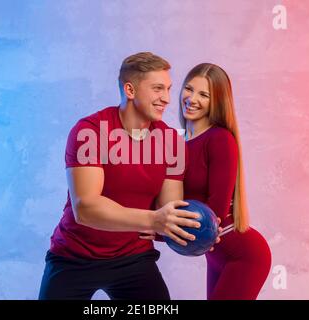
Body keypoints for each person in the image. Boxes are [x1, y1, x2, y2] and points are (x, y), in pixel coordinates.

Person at [38, 52, 219, 300]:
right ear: (130, 90)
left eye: (168, 89)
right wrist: (154, 220)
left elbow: (168, 210)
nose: (166, 98)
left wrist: (197, 232)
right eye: (157, 89)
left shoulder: (171, 143)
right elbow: (86, 208)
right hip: (74, 257)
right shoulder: (90, 132)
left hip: (133, 258)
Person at [179, 63, 272, 300]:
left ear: (217, 102)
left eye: (204, 94)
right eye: (189, 89)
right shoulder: (178, 143)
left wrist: (158, 231)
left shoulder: (220, 139)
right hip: (216, 255)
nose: (192, 98)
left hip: (243, 254)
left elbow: (215, 211)